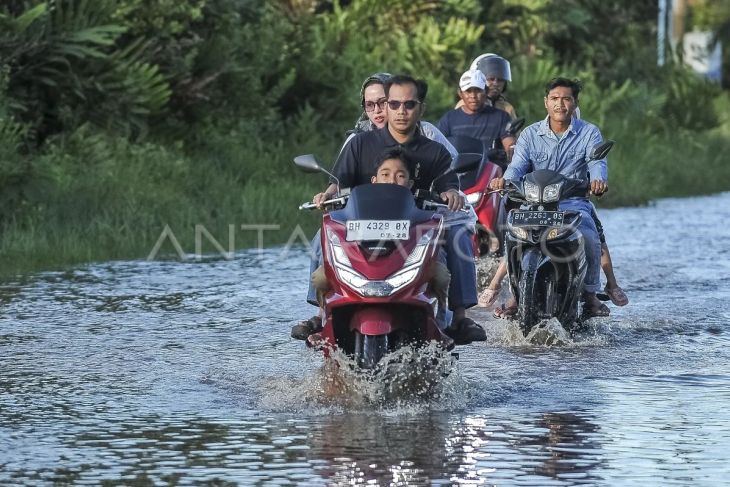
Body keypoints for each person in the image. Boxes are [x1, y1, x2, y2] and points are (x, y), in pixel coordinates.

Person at [294, 74, 486, 344]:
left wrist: (452, 193)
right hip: (360, 227)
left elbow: (449, 184)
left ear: (421, 108)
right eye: (394, 105)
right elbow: (338, 183)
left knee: (458, 239)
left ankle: (459, 318)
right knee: (320, 239)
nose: (400, 111)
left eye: (409, 105)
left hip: (417, 231)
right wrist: (325, 195)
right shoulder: (359, 144)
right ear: (386, 106)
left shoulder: (435, 151)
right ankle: (320, 314)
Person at [489, 77, 610, 319]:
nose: (560, 104)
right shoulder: (530, 134)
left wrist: (598, 180)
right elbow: (518, 165)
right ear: (546, 102)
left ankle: (589, 295)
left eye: (566, 99)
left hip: (572, 203)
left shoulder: (588, 132)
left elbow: (597, 162)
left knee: (588, 235)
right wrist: (505, 180)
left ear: (574, 103)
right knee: (513, 233)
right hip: (534, 203)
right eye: (555, 99)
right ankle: (515, 293)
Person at [306, 148, 451, 320]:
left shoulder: (418, 210)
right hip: (364, 269)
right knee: (320, 277)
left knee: (441, 276)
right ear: (374, 180)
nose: (392, 180)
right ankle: (321, 316)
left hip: (406, 267)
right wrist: (326, 197)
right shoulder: (358, 209)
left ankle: (442, 316)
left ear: (410, 183)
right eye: (385, 174)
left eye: (400, 176)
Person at [437, 69, 516, 156]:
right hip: (459, 168)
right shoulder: (448, 119)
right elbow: (438, 148)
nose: (473, 96)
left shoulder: (502, 117)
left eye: (478, 90)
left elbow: (509, 145)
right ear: (460, 93)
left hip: (492, 167)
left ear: (486, 91)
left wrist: (511, 150)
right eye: (468, 91)